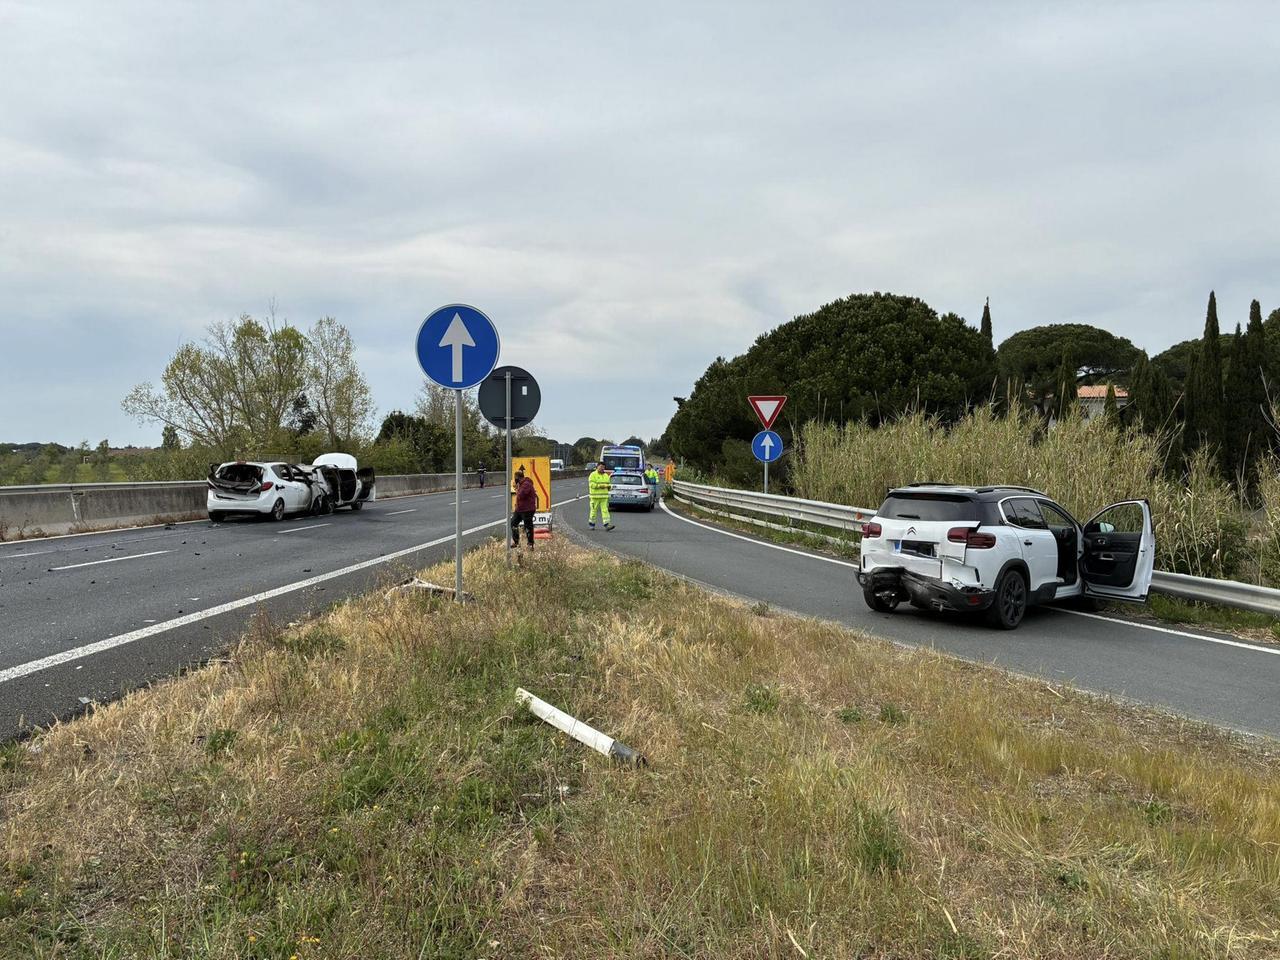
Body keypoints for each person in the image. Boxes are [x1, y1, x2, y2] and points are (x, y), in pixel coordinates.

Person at [511, 467, 537, 548]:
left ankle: (530, 544)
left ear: (518, 478)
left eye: (515, 478)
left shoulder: (526, 484)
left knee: (528, 526)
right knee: (513, 523)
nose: (515, 479)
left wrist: (516, 488)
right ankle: (516, 542)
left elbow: (521, 495)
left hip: (527, 509)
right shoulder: (521, 484)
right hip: (520, 509)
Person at [588, 461, 614, 530]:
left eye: (603, 467)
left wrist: (609, 487)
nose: (602, 468)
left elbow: (608, 484)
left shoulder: (606, 475)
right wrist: (600, 486)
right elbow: (591, 485)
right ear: (597, 467)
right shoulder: (593, 475)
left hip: (604, 497)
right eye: (601, 467)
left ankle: (607, 524)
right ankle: (592, 524)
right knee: (593, 511)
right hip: (595, 497)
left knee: (605, 511)